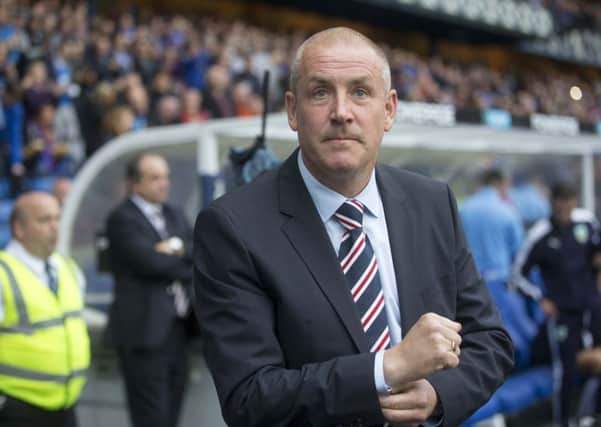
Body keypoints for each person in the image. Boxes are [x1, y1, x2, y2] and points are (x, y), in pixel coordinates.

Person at [193, 27, 513, 427]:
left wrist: (437, 395)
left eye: (361, 92)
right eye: (320, 92)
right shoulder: (232, 227)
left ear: (390, 110)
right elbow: (250, 398)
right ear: (292, 110)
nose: (341, 111)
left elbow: (491, 342)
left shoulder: (432, 203)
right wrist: (385, 369)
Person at [105, 152, 196, 427]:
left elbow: (200, 251)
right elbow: (149, 263)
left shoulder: (174, 213)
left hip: (179, 331)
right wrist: (180, 259)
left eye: (166, 177)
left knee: (172, 415)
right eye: (155, 178)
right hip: (144, 336)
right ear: (135, 183)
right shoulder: (122, 218)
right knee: (151, 418)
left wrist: (175, 249)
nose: (164, 183)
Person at [513, 182, 601, 427]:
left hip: (592, 308)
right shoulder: (540, 234)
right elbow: (518, 276)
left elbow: (596, 252)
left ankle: (590, 415)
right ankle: (565, 421)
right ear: (553, 203)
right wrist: (541, 299)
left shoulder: (586, 221)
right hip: (563, 315)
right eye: (561, 201)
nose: (565, 207)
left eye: (570, 200)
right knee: (567, 370)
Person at [0, 192, 89, 427]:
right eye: (44, 220)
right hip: (18, 409)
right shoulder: (2, 273)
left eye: (57, 219)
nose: (54, 227)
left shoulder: (68, 268)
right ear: (18, 229)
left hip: (67, 405)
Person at [460, 168, 524, 284]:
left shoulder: (464, 209)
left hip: (469, 281)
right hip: (499, 280)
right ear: (501, 183)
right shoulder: (508, 211)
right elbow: (518, 251)